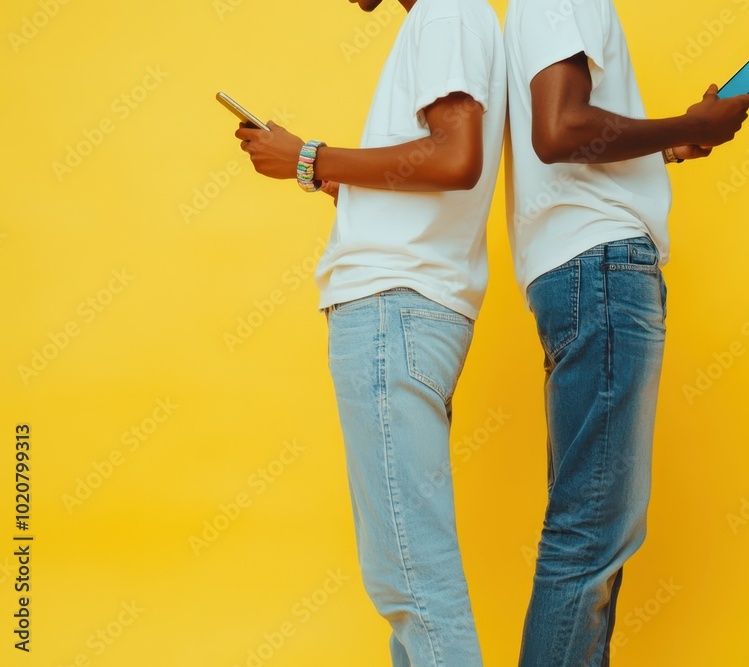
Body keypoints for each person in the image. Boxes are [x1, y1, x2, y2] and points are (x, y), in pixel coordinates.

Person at [233, 0, 506, 663]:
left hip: (393, 310)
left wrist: (311, 153)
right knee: (404, 577)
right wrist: (308, 165)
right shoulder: (454, 19)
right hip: (406, 310)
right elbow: (424, 182)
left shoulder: (446, 14)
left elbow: (457, 157)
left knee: (412, 581)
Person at [503, 0, 749, 664]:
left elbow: (561, 138)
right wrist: (688, 120)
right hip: (603, 271)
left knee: (589, 534)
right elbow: (559, 130)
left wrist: (673, 142)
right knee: (591, 536)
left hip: (572, 271)